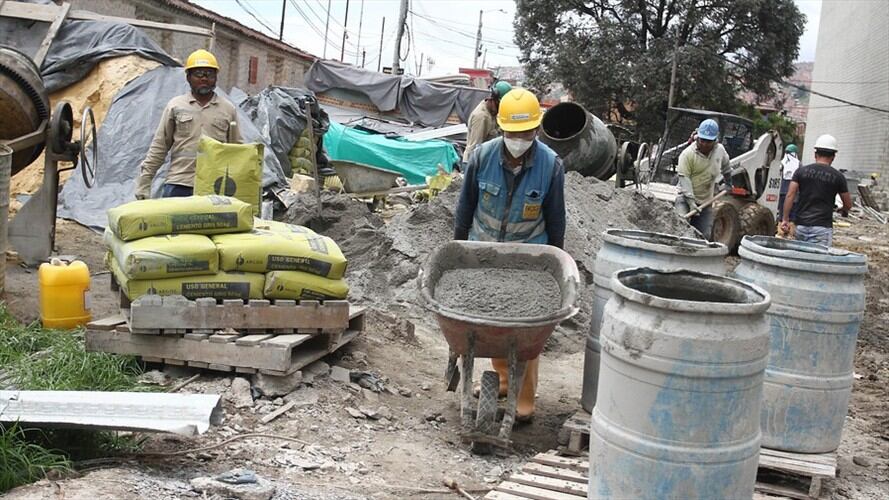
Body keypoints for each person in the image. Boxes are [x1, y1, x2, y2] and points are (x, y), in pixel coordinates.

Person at [454, 88, 565, 421]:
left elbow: (556, 218)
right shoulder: (482, 157)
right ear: (502, 128)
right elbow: (465, 206)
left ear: (536, 129)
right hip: (485, 253)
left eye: (525, 133)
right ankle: (502, 381)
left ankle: (524, 401)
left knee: (525, 331)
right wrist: (457, 250)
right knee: (492, 322)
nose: (518, 140)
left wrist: (555, 263)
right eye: (513, 133)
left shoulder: (550, 165)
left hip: (528, 260)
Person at [136, 49, 242, 199]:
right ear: (188, 77)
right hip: (179, 182)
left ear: (216, 78)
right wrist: (145, 181)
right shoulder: (175, 106)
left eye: (209, 74)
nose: (204, 78)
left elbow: (237, 150)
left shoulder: (228, 109)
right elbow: (160, 145)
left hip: (214, 184)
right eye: (198, 74)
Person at [781, 134, 851, 247]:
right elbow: (848, 204)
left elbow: (790, 195)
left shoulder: (801, 172)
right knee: (818, 257)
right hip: (822, 229)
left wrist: (785, 219)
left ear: (815, 154)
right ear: (833, 157)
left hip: (801, 226)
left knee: (800, 256)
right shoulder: (838, 177)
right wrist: (843, 210)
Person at [674, 119, 733, 237]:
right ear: (698, 138)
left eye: (709, 141)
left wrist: (728, 183)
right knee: (680, 231)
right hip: (685, 199)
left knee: (703, 235)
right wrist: (691, 202)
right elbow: (685, 180)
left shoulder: (720, 151)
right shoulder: (687, 155)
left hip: (705, 202)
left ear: (715, 140)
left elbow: (726, 168)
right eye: (703, 140)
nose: (705, 144)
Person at [461, 80, 513, 166]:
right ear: (493, 100)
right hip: (474, 164)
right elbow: (475, 148)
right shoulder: (481, 117)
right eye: (500, 105)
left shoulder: (492, 112)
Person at [778, 143, 801, 221]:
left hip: (782, 193)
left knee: (782, 216)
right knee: (792, 217)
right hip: (794, 194)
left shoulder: (781, 164)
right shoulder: (799, 164)